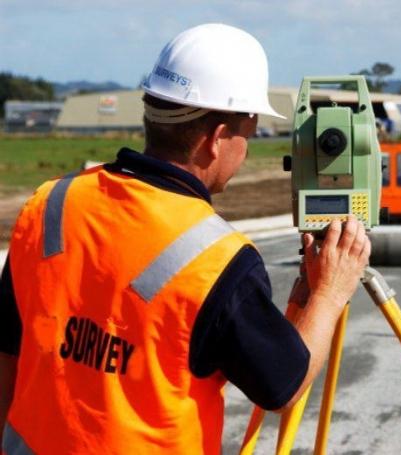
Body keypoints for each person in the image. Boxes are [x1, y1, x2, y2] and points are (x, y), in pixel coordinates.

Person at [0, 24, 370, 454]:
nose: (244, 152)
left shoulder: (50, 204)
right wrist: (329, 291)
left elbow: (8, 350)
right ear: (216, 141)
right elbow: (282, 386)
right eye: (246, 137)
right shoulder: (217, 259)